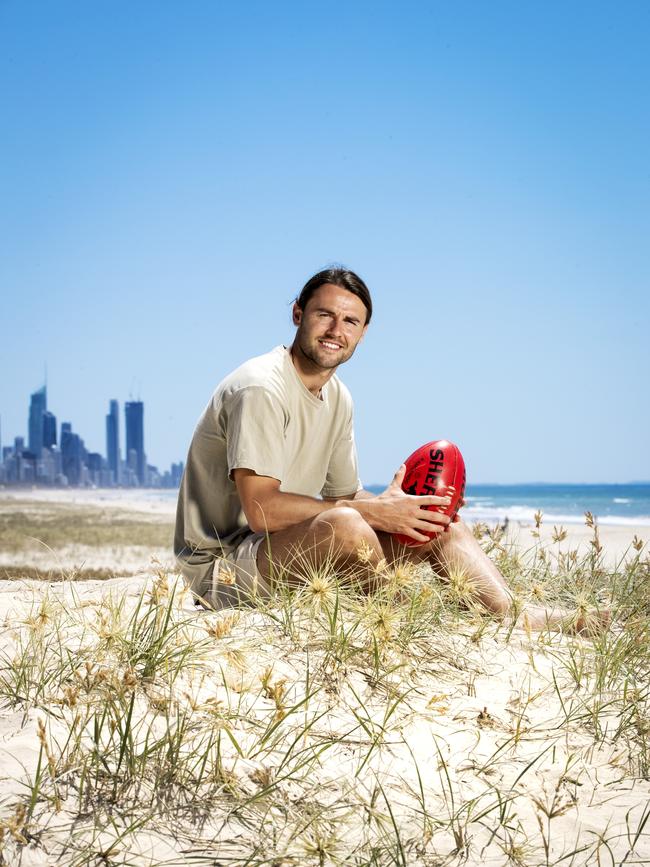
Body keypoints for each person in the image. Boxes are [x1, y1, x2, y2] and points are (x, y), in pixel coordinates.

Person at [174, 267, 603, 630]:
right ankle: (401, 618)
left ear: (363, 332)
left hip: (291, 544)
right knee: (348, 524)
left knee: (436, 523)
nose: (335, 331)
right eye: (324, 314)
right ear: (297, 314)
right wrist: (370, 513)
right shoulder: (261, 388)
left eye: (350, 321)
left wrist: (403, 506)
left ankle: (515, 617)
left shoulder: (338, 396)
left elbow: (347, 494)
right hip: (225, 569)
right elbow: (262, 511)